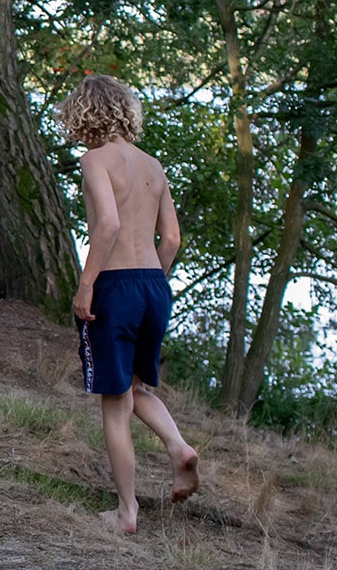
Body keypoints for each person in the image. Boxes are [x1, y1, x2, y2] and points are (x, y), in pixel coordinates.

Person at [56, 74, 200, 534]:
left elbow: (108, 226)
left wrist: (87, 286)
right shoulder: (154, 166)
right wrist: (150, 281)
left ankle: (126, 512)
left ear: (84, 114)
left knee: (115, 403)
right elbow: (173, 238)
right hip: (154, 284)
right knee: (138, 387)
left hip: (115, 285)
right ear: (124, 111)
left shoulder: (95, 159)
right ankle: (178, 449)